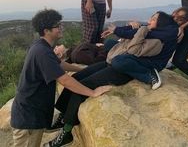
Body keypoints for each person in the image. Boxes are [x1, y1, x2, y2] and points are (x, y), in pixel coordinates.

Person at [43, 11, 182, 147]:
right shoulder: (148, 33)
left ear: (161, 23)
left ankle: (66, 132)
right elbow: (125, 44)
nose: (149, 21)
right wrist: (134, 29)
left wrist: (141, 30)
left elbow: (133, 51)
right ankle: (63, 115)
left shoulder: (157, 41)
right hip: (113, 61)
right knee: (76, 78)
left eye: (154, 19)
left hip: (122, 71)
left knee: (83, 86)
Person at [10, 9, 112, 147]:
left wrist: (81, 69)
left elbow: (60, 64)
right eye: (57, 26)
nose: (60, 28)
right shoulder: (42, 52)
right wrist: (92, 93)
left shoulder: (41, 47)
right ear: (47, 31)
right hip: (28, 118)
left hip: (33, 112)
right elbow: (64, 80)